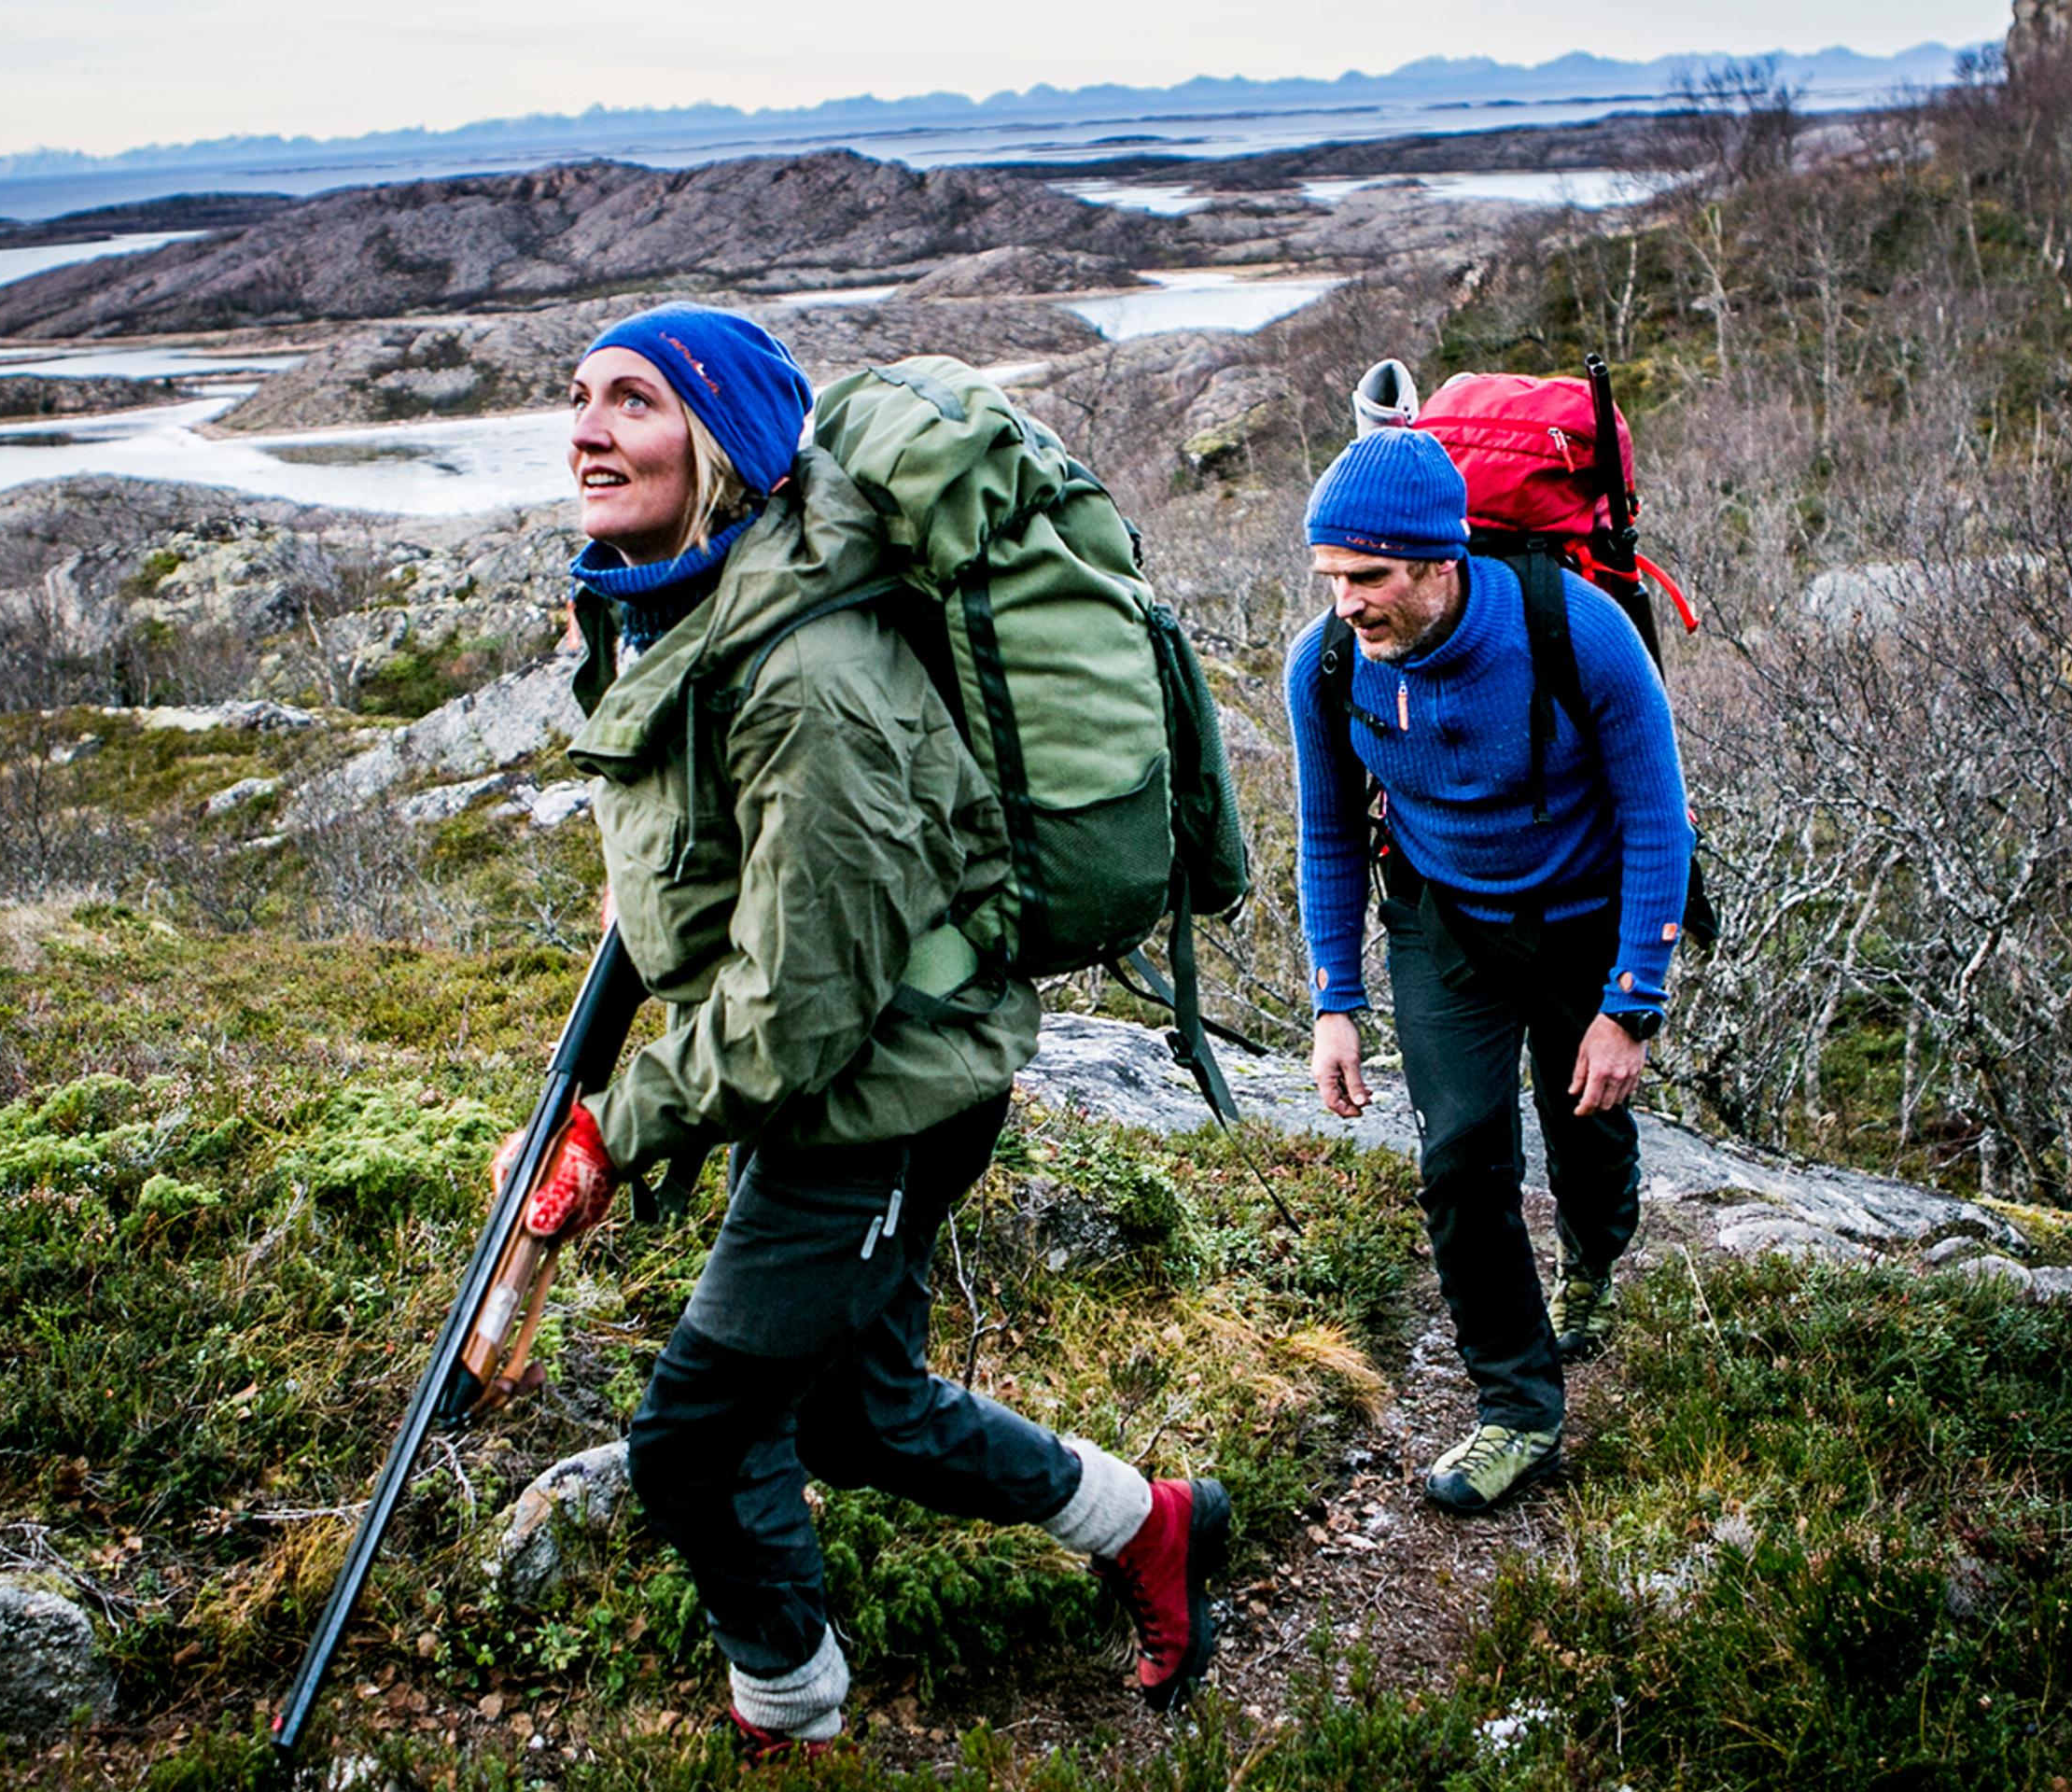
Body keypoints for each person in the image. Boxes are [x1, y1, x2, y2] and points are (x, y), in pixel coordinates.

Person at [500, 305, 1225, 1755]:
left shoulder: (811, 674)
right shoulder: (698, 603)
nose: (587, 429)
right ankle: (1151, 1525)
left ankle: (791, 1718)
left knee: (696, 1441)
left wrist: (612, 1130)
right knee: (852, 1413)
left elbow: (793, 1014)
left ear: (722, 443)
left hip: (886, 1087)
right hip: (853, 1073)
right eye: (580, 398)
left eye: (633, 402)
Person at [1282, 426, 1693, 1515]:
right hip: (1443, 921)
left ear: (1439, 561)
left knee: (1589, 1138)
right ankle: (1518, 1410)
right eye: (1331, 580)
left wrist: (1628, 1008)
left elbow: (1660, 817)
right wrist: (1336, 1000)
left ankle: (1596, 1258)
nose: (1348, 606)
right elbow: (1327, 832)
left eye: (1367, 579)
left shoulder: (1580, 632)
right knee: (1462, 1151)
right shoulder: (1327, 666)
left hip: (1580, 916)